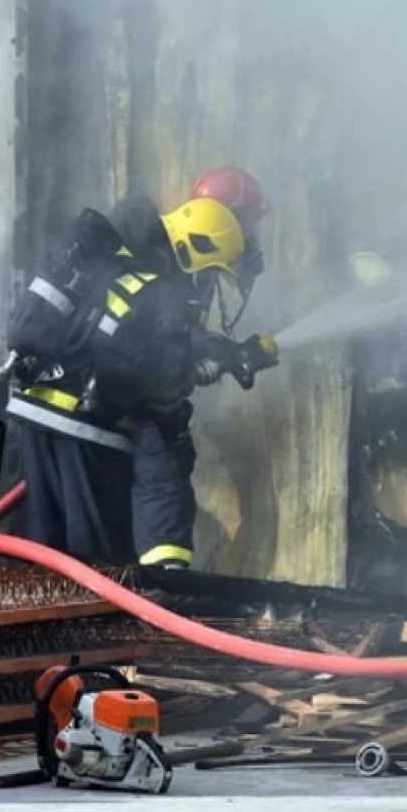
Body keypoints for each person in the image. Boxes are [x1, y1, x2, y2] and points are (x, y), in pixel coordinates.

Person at [1, 196, 250, 564]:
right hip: (88, 438)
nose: (204, 288)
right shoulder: (162, 303)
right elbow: (162, 412)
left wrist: (216, 353)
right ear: (192, 249)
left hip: (27, 416)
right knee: (94, 571)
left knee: (36, 562)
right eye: (208, 274)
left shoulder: (119, 266)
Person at [127, 167, 277, 569]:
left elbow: (185, 334)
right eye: (249, 224)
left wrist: (229, 354)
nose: (252, 238)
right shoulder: (179, 259)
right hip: (133, 405)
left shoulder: (195, 264)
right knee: (162, 481)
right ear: (227, 217)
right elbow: (162, 337)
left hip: (137, 397)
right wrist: (207, 362)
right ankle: (164, 581)